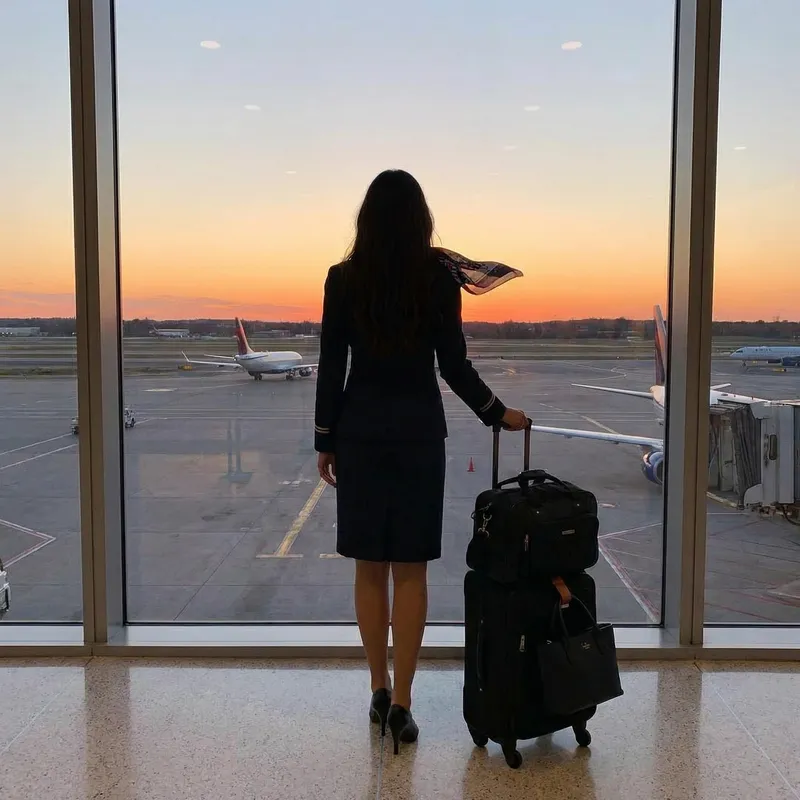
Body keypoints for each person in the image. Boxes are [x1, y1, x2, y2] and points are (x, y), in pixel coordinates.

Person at [313, 169, 527, 755]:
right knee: (411, 571)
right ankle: (402, 703)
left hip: (359, 434)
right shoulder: (437, 279)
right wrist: (497, 411)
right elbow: (452, 365)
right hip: (416, 437)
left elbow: (332, 368)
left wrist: (324, 440)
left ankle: (377, 688)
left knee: (368, 568)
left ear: (366, 219)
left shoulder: (342, 278)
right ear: (420, 219)